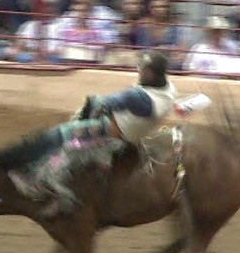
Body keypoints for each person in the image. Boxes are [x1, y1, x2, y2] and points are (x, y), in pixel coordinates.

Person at [10, 51, 178, 216]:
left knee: (67, 144)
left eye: (143, 68)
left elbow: (104, 103)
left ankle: (52, 192)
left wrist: (89, 109)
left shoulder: (137, 97)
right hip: (127, 133)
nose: (139, 69)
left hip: (111, 135)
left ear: (150, 74)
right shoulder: (168, 89)